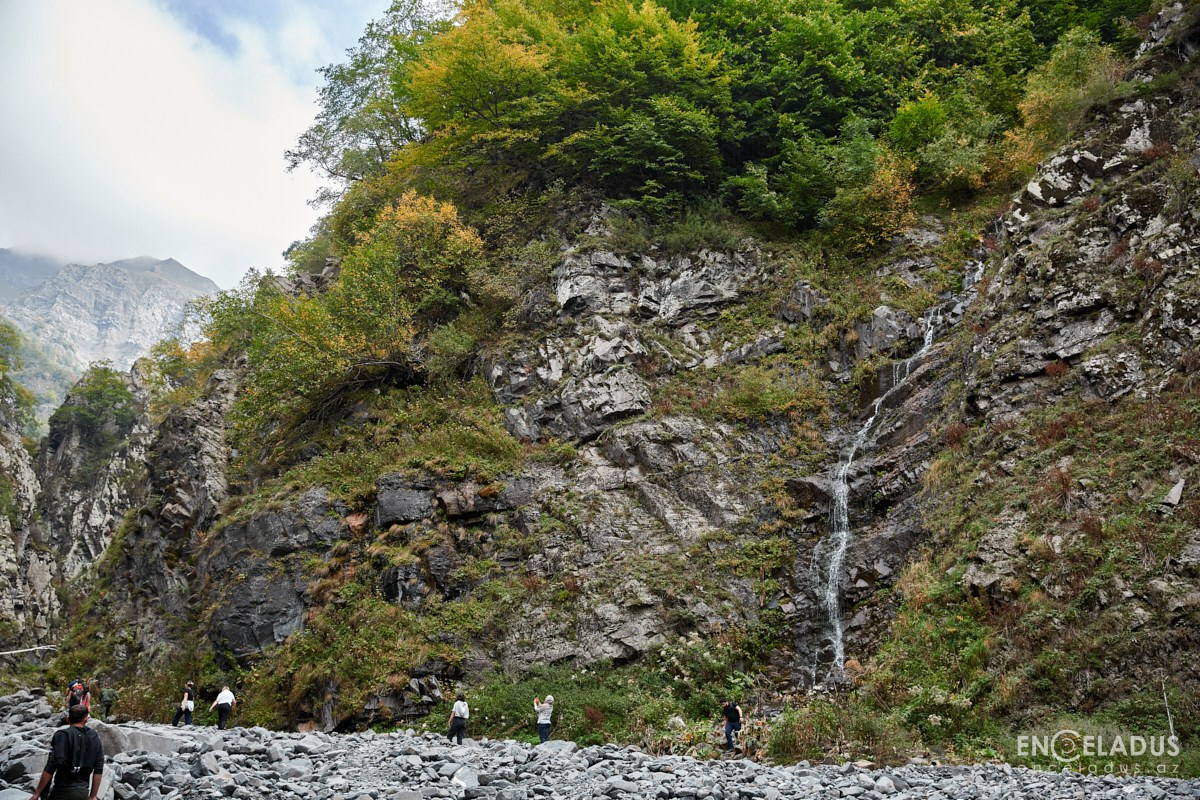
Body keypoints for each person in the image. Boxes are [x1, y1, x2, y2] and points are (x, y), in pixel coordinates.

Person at [29, 704, 104, 800]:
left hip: (61, 791)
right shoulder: (94, 737)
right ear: (86, 719)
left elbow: (50, 766)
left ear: (68, 719)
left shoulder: (61, 735)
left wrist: (36, 794)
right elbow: (98, 768)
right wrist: (93, 796)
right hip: (83, 792)